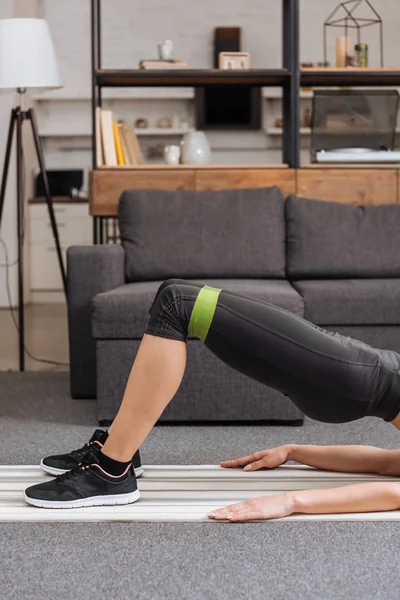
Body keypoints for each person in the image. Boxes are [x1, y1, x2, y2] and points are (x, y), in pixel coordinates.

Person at [24, 280, 400, 519]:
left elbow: (392, 493)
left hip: (352, 375)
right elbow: (386, 464)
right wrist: (294, 450)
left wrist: (291, 503)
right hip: (351, 380)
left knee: (178, 304)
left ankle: (112, 469)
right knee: (173, 297)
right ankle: (119, 450)